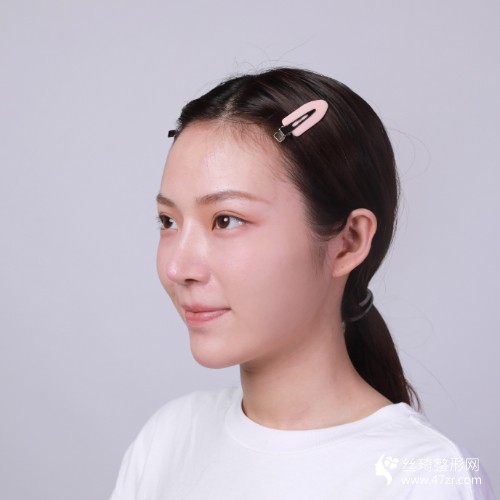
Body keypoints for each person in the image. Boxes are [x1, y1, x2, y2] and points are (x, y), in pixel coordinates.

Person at [110, 68, 494, 499]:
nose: (178, 267)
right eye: (168, 221)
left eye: (226, 220)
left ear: (348, 242)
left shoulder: (425, 478)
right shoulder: (168, 440)